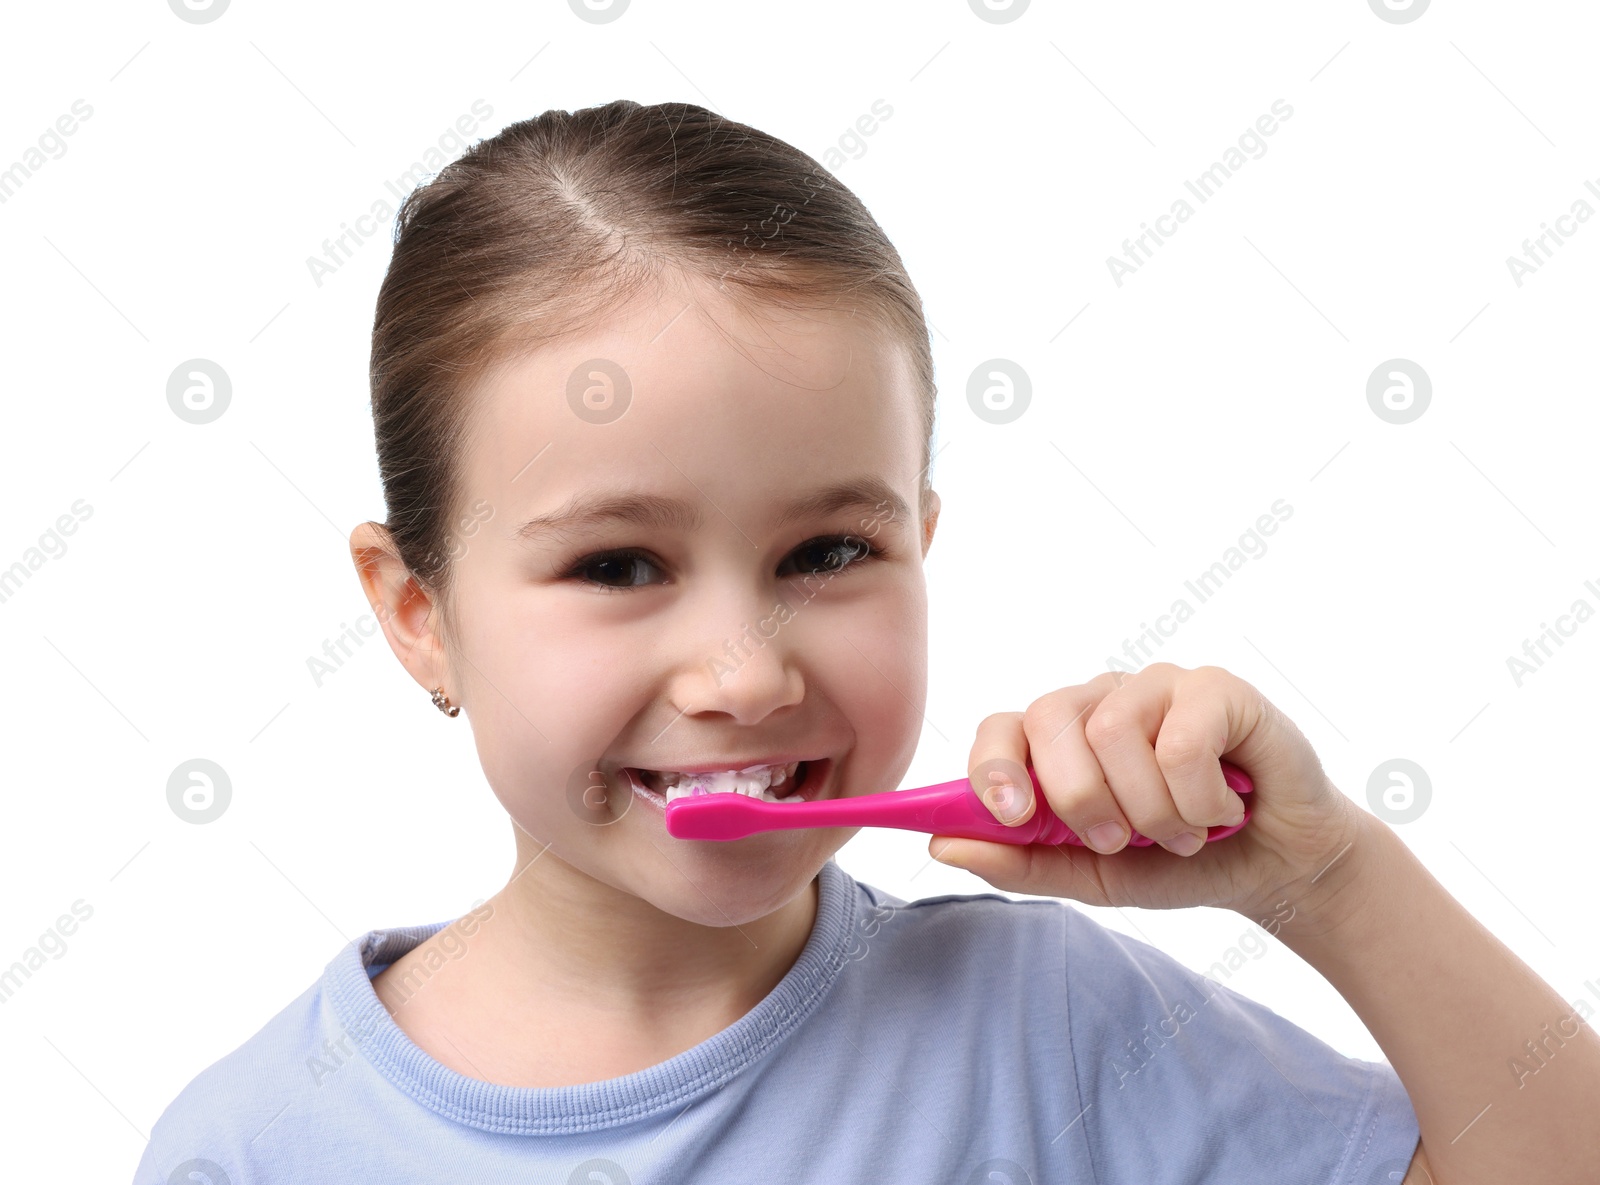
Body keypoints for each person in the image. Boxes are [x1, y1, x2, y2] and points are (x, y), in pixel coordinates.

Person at [133, 99, 1597, 1184]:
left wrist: (1332, 877)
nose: (747, 672)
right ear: (417, 613)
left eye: (829, 551)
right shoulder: (256, 1146)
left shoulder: (1054, 1033)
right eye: (619, 562)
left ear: (922, 541)